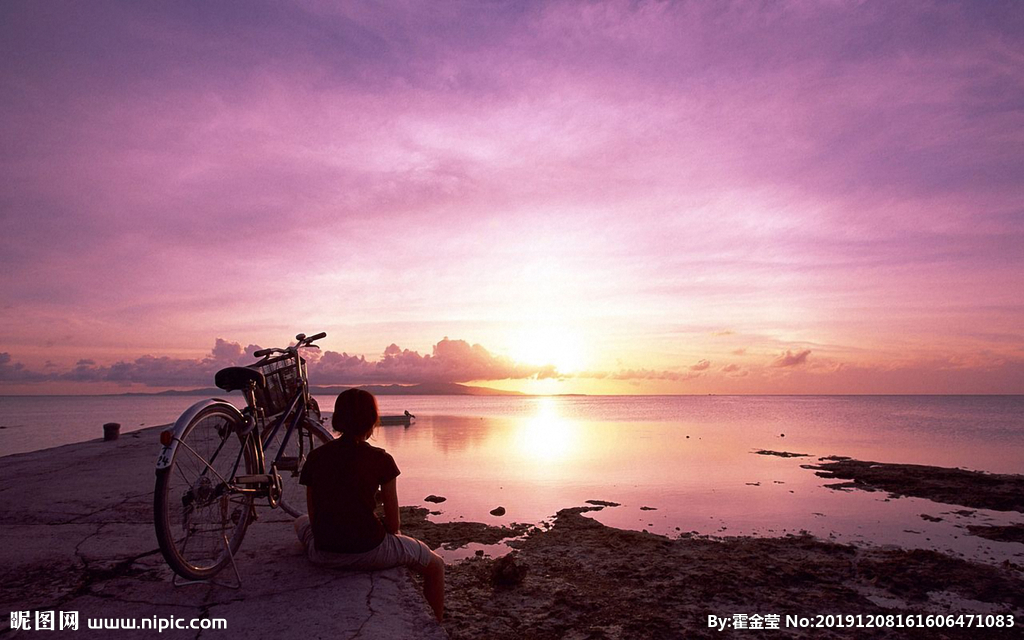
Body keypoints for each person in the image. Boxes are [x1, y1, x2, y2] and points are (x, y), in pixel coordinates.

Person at [294, 389, 445, 621]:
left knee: (299, 521)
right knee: (436, 565)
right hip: (369, 552)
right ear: (372, 420)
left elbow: (314, 518)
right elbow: (394, 525)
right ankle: (437, 621)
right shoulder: (382, 459)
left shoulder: (316, 457)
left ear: (337, 418)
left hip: (322, 552)